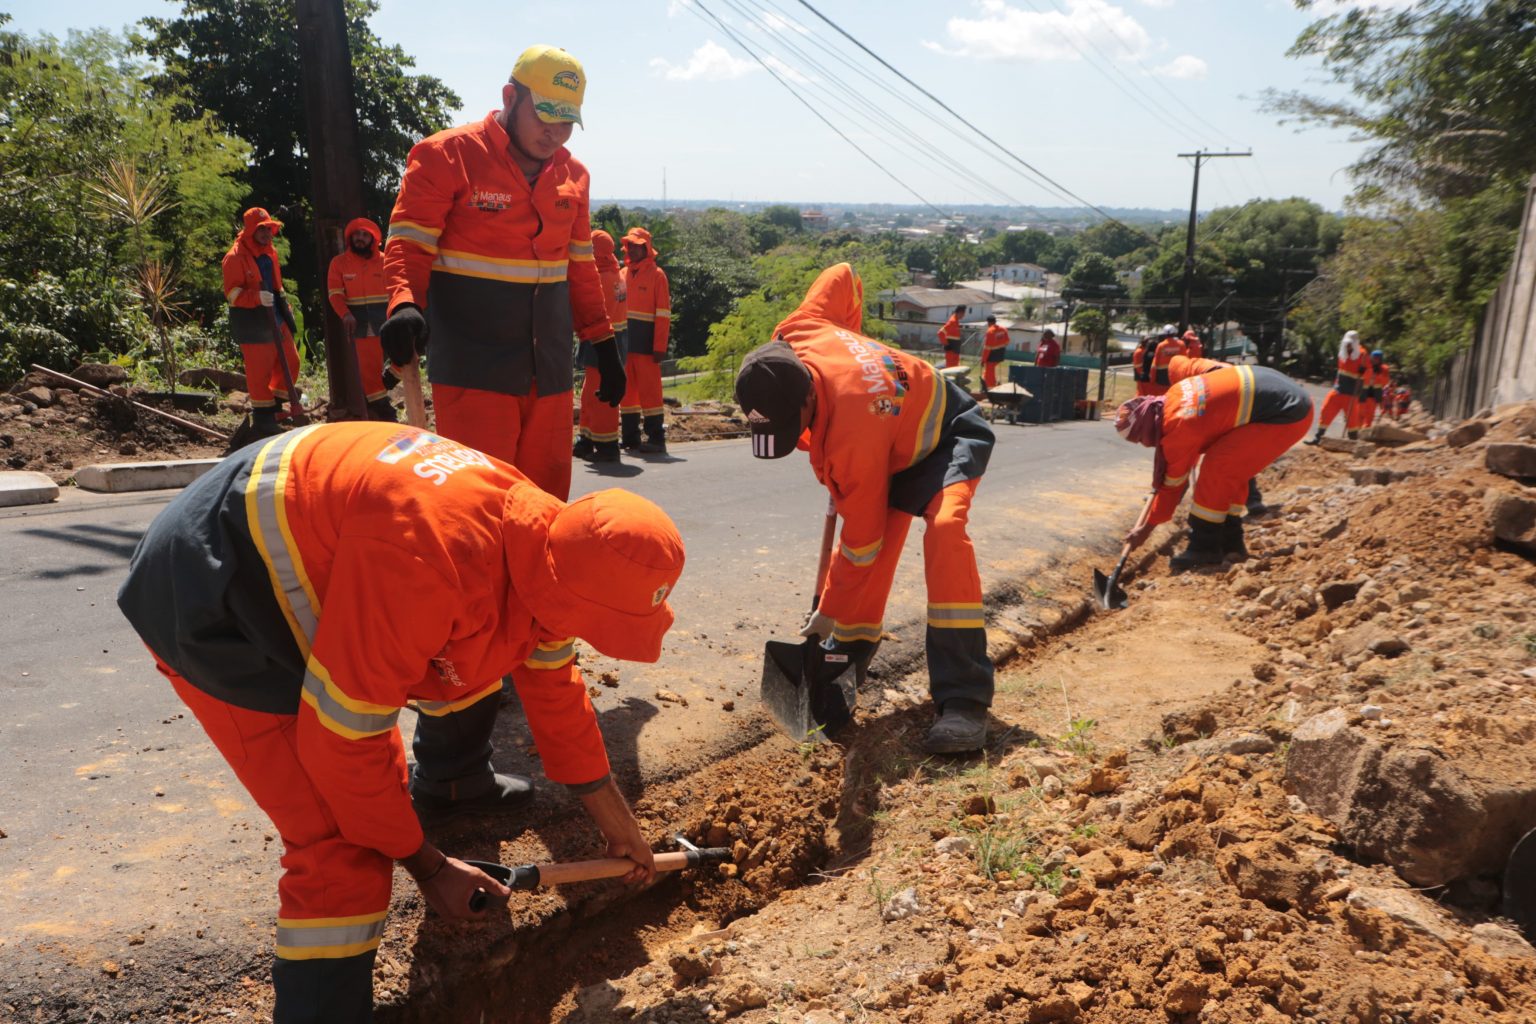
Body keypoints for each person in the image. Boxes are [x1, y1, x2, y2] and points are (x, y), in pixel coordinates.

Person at [116, 421, 683, 1024]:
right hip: (213, 589)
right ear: (562, 589)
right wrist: (428, 865)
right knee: (344, 849)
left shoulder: (548, 540)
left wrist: (617, 820)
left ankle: (452, 784)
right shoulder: (427, 566)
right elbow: (343, 744)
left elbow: (554, 686)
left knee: (479, 658)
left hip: (313, 536)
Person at [734, 263, 995, 754]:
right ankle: (849, 652)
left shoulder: (851, 438)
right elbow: (843, 275)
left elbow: (861, 541)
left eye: (794, 426)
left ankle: (964, 698)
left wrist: (827, 610)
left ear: (809, 397)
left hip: (947, 432)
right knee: (874, 545)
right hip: (888, 438)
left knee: (943, 530)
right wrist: (855, 342)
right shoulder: (797, 331)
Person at [381, 44, 625, 501]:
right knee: (479, 507)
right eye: (545, 116)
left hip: (549, 372)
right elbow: (408, 247)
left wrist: (602, 340)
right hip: (474, 371)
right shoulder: (446, 156)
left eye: (566, 122)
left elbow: (580, 266)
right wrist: (404, 304)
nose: (554, 133)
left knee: (545, 505)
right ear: (510, 97)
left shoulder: (574, 176)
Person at [1117, 362, 1313, 569]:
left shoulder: (1177, 430)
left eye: (1139, 439)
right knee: (1232, 467)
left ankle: (1204, 547)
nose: (1144, 444)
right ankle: (1231, 543)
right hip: (1285, 393)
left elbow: (1172, 487)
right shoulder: (1174, 395)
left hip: (1286, 413)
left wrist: (1145, 530)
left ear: (1147, 429)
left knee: (1218, 468)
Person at [222, 207, 302, 437]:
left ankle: (274, 405)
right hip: (253, 321)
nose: (267, 233)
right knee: (259, 371)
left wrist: (283, 306)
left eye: (269, 228)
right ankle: (263, 418)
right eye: (261, 229)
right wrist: (256, 297)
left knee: (291, 360)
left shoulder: (270, 252)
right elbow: (232, 294)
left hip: (275, 314)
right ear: (250, 231)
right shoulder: (234, 257)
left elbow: (276, 284)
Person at [326, 217, 396, 421]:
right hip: (361, 325)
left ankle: (389, 380)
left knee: (406, 354)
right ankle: (383, 409)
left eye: (365, 235)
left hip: (387, 321)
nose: (361, 238)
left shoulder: (385, 261)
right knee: (370, 369)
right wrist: (345, 314)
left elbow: (396, 288)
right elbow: (335, 294)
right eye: (357, 234)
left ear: (373, 239)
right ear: (350, 237)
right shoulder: (339, 263)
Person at [574, 228, 627, 462]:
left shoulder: (600, 278)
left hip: (601, 342)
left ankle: (606, 445)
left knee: (601, 395)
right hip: (612, 340)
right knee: (591, 391)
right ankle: (587, 438)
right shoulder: (617, 274)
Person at [618, 226, 671, 454]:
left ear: (647, 248)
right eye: (630, 245)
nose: (633, 249)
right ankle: (630, 438)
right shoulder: (622, 273)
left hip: (647, 347)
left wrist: (660, 346)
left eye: (637, 246)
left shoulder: (657, 275)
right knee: (627, 394)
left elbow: (663, 314)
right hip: (625, 345)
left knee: (651, 393)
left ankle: (656, 439)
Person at [1305, 329, 1366, 444]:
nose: (1348, 346)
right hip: (1338, 389)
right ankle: (1318, 437)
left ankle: (1353, 441)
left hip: (1351, 392)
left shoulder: (1362, 355)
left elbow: (1367, 374)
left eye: (1350, 343)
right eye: (1346, 343)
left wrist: (1364, 371)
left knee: (1352, 419)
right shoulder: (1342, 353)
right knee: (1326, 410)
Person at [1354, 349, 1390, 430]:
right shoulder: (1366, 366)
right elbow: (1358, 376)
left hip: (1374, 394)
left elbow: (1385, 382)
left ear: (1380, 359)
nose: (1375, 360)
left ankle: (1365, 430)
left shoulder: (1384, 369)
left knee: (1369, 414)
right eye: (1374, 358)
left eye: (1377, 359)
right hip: (1363, 392)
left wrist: (1379, 374)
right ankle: (1357, 430)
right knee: (1360, 413)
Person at [1150, 324, 1185, 393]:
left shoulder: (1161, 345)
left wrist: (1152, 378)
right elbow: (1185, 360)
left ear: (1164, 334)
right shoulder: (1181, 344)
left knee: (1162, 393)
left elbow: (1155, 363)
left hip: (1162, 374)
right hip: (1176, 373)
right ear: (1174, 333)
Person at [981, 314, 1010, 390]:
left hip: (992, 356)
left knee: (989, 373)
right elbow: (1007, 341)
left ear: (988, 322)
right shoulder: (1003, 329)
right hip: (1000, 354)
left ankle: (991, 388)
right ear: (995, 321)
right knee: (988, 371)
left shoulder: (990, 331)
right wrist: (999, 345)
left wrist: (983, 360)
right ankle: (985, 381)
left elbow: (987, 348)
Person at [937, 304, 965, 369]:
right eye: (963, 314)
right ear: (960, 312)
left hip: (955, 351)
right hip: (951, 351)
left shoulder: (956, 321)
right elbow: (940, 333)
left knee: (954, 369)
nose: (964, 316)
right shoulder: (952, 321)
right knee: (951, 369)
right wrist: (946, 345)